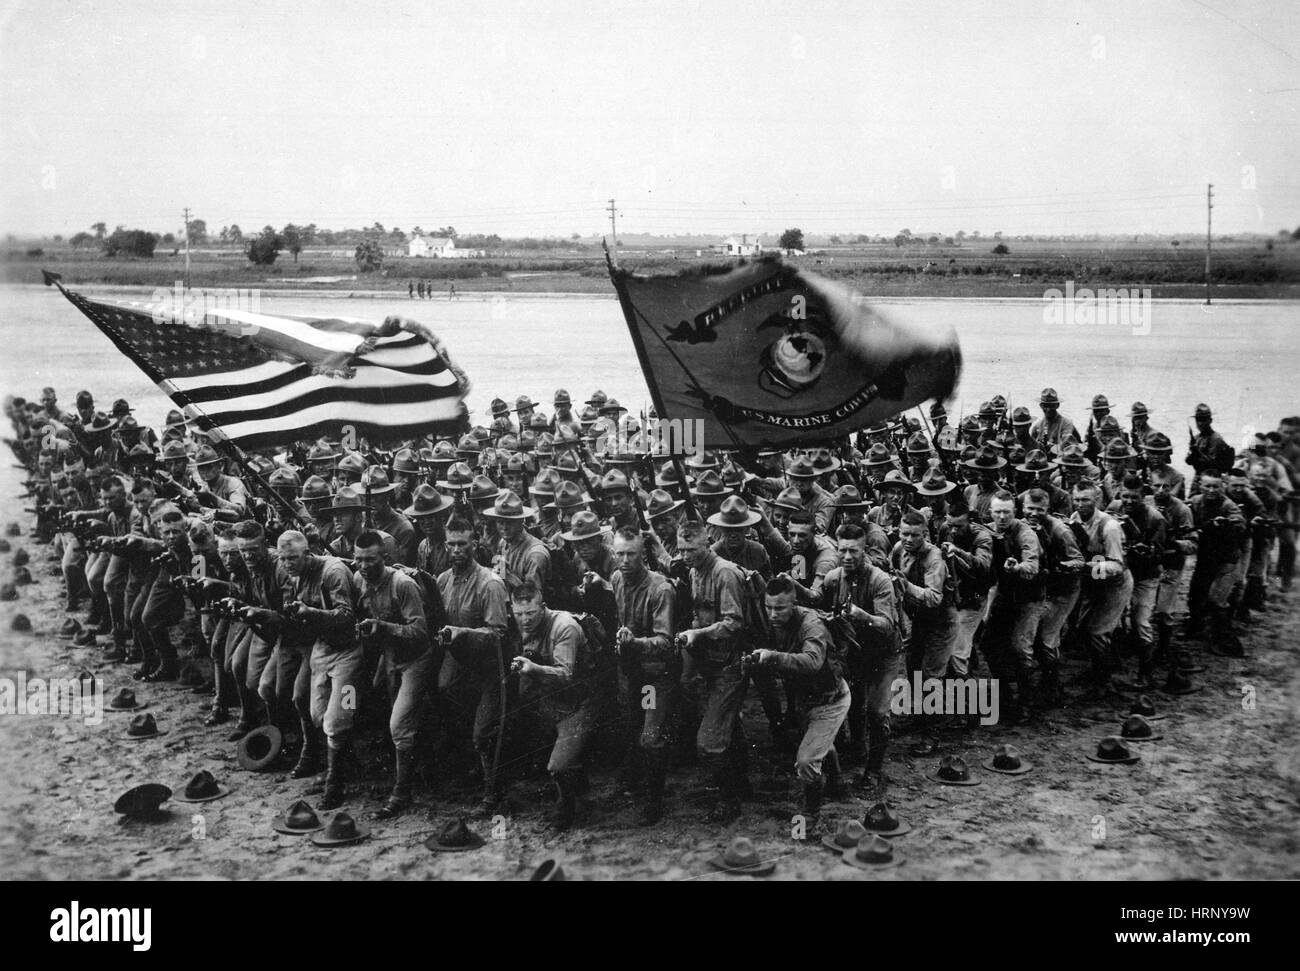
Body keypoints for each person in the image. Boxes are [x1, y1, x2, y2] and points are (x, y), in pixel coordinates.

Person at [746, 575, 850, 818]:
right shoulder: (774, 622)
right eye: (768, 607)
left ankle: (811, 818)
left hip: (830, 700)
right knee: (821, 743)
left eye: (780, 608)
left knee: (805, 761)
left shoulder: (811, 623)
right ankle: (837, 784)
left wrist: (772, 656)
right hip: (807, 698)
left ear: (794, 604)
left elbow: (813, 662)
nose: (773, 614)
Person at [675, 519, 751, 823]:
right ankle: (742, 784)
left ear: (707, 543)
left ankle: (727, 800)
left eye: (690, 549)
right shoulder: (694, 570)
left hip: (731, 665)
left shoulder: (724, 573)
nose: (684, 555)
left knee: (709, 740)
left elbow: (735, 623)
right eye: (681, 549)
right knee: (727, 725)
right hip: (710, 663)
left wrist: (700, 633)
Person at [817, 523, 900, 791]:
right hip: (855, 653)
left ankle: (874, 770)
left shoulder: (880, 580)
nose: (848, 557)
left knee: (877, 712)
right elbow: (821, 604)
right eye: (843, 551)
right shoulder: (833, 578)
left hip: (883, 654)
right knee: (854, 704)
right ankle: (858, 751)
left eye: (854, 551)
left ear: (865, 550)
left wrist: (861, 615)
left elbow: (887, 625)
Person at [435, 515, 511, 810]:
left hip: (492, 669)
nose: (456, 550)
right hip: (460, 667)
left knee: (484, 733)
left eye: (462, 544)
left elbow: (499, 635)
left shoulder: (490, 583)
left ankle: (494, 793)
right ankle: (473, 772)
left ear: (474, 544)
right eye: (451, 544)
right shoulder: (443, 580)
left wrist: (462, 633)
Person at [277, 530, 359, 794]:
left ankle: (335, 779)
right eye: (283, 559)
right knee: (316, 714)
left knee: (339, 716)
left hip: (349, 652)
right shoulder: (297, 575)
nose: (288, 564)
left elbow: (347, 616)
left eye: (293, 558)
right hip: (322, 649)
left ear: (308, 554)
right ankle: (344, 760)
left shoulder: (332, 571)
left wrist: (310, 613)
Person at [511, 581, 596, 830]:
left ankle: (567, 809)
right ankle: (577, 783)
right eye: (518, 614)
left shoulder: (564, 627)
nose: (524, 620)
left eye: (530, 613)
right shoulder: (524, 625)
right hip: (552, 700)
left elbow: (565, 673)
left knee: (557, 766)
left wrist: (533, 669)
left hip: (581, 701)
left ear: (543, 607)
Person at [609, 526, 679, 824]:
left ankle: (654, 799)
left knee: (650, 736)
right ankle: (634, 782)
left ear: (643, 555)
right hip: (632, 671)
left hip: (655, 674)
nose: (624, 561)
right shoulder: (616, 579)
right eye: (620, 554)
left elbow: (665, 642)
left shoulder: (660, 589)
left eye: (631, 554)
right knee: (630, 725)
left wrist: (634, 642)